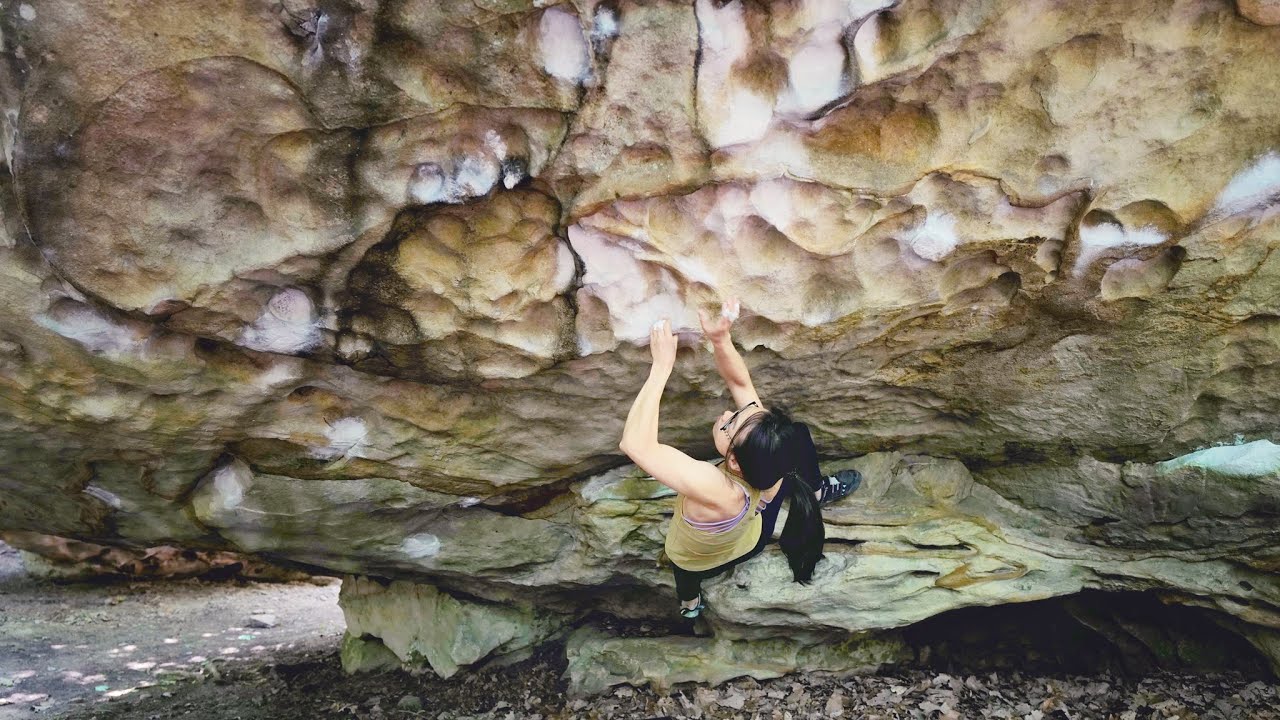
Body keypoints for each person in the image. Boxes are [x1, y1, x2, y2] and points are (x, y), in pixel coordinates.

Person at [618, 301, 861, 618]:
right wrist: (720, 341)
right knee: (795, 434)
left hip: (696, 556)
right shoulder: (768, 456)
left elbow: (636, 444)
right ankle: (815, 490)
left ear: (733, 462)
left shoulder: (714, 485)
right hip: (752, 536)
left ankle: (690, 605)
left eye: (729, 423)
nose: (728, 412)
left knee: (686, 573)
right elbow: (740, 384)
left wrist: (661, 368)